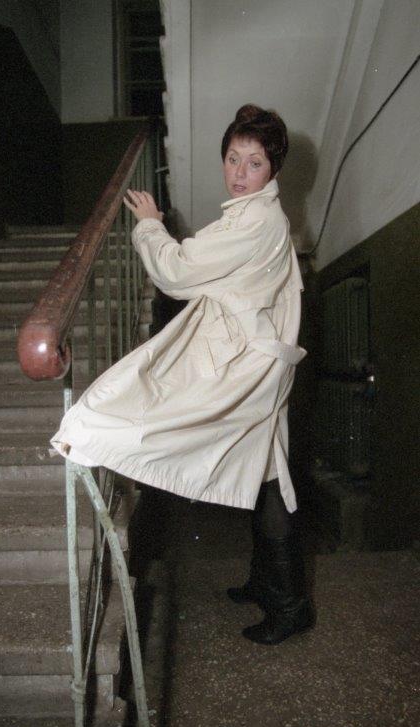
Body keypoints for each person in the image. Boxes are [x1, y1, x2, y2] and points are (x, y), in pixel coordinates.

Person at [51, 104, 314, 645]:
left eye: (254, 163)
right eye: (233, 158)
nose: (239, 172)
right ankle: (271, 587)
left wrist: (150, 224)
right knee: (266, 473)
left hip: (247, 366)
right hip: (257, 361)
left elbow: (176, 272)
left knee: (259, 471)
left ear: (273, 169)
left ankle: (290, 606)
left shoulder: (258, 220)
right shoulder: (256, 215)